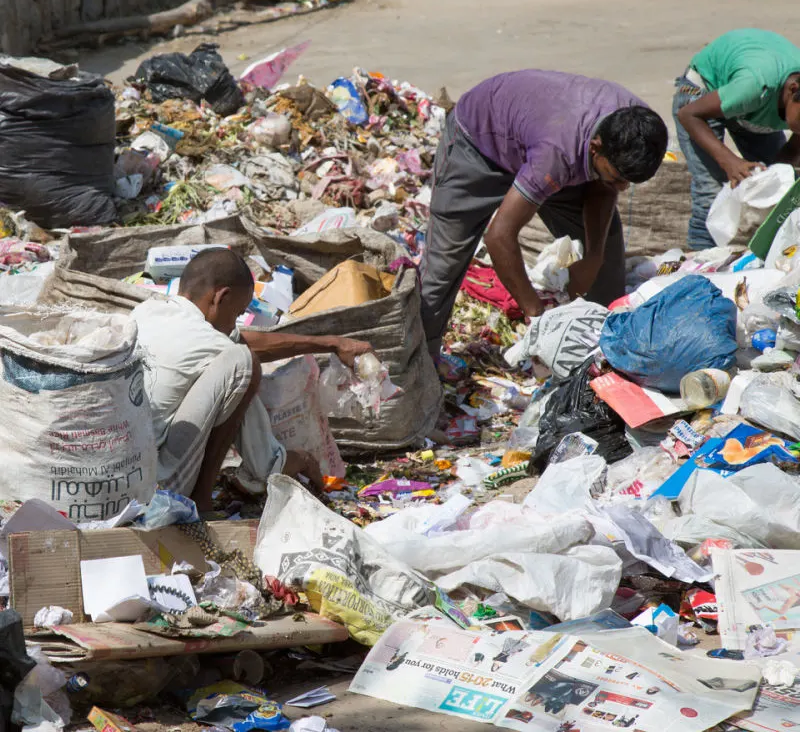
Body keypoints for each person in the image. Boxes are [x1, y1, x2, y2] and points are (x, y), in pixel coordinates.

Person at [419, 70, 668, 357]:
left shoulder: (638, 129)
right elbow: (499, 237)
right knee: (443, 266)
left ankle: (602, 349)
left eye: (628, 181)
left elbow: (603, 189)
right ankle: (419, 364)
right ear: (595, 148)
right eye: (616, 178)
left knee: (606, 255)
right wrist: (537, 315)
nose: (623, 188)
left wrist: (594, 257)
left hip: (545, 142)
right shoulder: (558, 154)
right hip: (478, 144)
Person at [131, 248, 372, 511]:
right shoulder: (214, 344)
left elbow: (246, 340)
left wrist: (331, 344)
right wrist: (298, 460)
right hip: (157, 489)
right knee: (245, 365)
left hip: (124, 475)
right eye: (237, 313)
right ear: (221, 297)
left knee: (240, 357)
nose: (235, 323)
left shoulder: (147, 312)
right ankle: (200, 503)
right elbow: (244, 354)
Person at [673, 28, 800, 250]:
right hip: (702, 96)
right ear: (793, 90)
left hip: (750, 104)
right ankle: (700, 262)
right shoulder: (755, 86)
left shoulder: (786, 100)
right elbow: (688, 115)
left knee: (780, 188)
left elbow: (788, 160)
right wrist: (729, 161)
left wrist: (776, 175)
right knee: (711, 193)